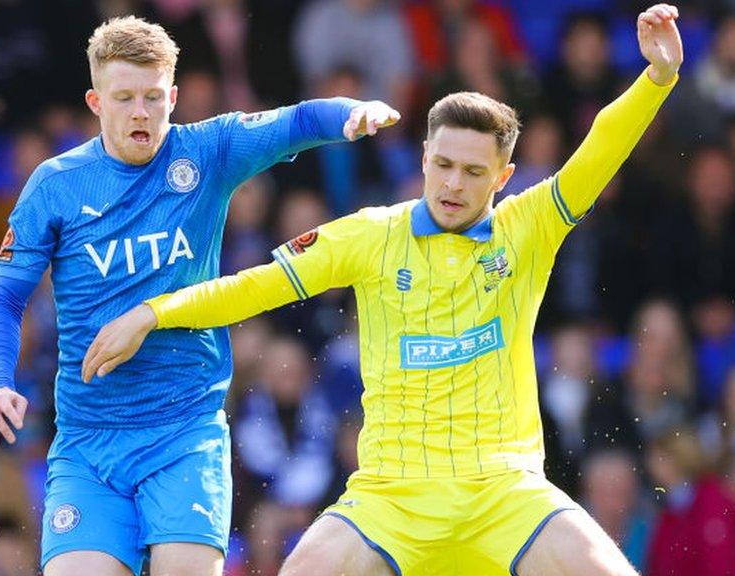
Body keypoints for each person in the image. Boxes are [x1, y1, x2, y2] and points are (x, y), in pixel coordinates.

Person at [83, 5, 682, 575]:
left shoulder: (528, 228)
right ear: (423, 156)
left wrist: (657, 77)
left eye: (474, 173)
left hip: (504, 489)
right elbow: (252, 288)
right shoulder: (371, 235)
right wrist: (154, 312)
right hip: (391, 495)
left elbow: (599, 149)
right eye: (443, 164)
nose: (452, 183)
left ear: (502, 178)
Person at [0, 16, 400, 576]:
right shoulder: (55, 185)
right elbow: (5, 299)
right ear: (95, 101)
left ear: (173, 96)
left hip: (185, 431)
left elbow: (294, 120)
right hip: (89, 441)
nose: (140, 112)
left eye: (153, 97)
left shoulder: (206, 152)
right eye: (124, 98)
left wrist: (350, 114)